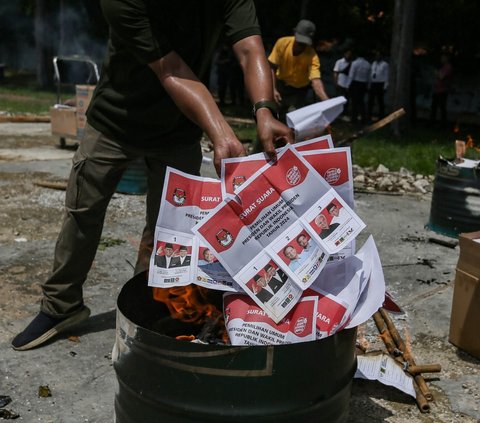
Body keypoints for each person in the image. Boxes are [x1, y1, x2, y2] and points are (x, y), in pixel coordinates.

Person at [12, 0, 294, 351]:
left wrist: (265, 110)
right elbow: (171, 71)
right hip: (115, 121)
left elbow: (250, 48)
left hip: (178, 132)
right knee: (83, 211)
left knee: (167, 230)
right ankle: (61, 306)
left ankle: (142, 312)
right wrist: (221, 133)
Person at [268, 19, 329, 122]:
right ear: (294, 33)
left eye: (305, 44)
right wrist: (273, 89)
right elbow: (272, 67)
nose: (301, 47)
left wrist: (327, 101)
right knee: (273, 117)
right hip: (280, 86)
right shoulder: (282, 43)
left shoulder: (312, 56)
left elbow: (316, 81)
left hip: (299, 92)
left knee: (294, 120)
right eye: (300, 42)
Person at [346, 49, 371, 124]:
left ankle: (354, 119)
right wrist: (368, 85)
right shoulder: (368, 64)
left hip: (355, 83)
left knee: (354, 102)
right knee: (361, 102)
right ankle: (363, 118)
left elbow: (351, 75)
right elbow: (369, 77)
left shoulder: (355, 63)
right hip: (363, 84)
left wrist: (348, 85)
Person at [430, 53, 453, 127]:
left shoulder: (448, 67)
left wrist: (436, 72)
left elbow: (441, 77)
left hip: (442, 90)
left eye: (443, 57)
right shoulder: (443, 67)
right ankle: (432, 123)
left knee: (442, 108)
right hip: (437, 90)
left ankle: (443, 125)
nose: (441, 59)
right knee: (434, 107)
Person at [368, 50, 389, 121]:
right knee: (371, 100)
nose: (377, 57)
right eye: (376, 55)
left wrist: (385, 86)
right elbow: (371, 73)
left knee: (380, 101)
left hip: (380, 84)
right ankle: (369, 115)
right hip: (373, 83)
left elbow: (386, 76)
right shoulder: (374, 63)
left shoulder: (385, 64)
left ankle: (381, 116)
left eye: (379, 55)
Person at [333, 48, 353, 115]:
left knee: (346, 99)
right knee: (338, 99)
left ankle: (344, 113)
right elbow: (335, 72)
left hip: (347, 84)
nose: (348, 55)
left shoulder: (352, 63)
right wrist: (335, 82)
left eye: (350, 54)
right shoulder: (339, 62)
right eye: (347, 54)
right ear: (344, 54)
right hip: (340, 82)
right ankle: (336, 113)